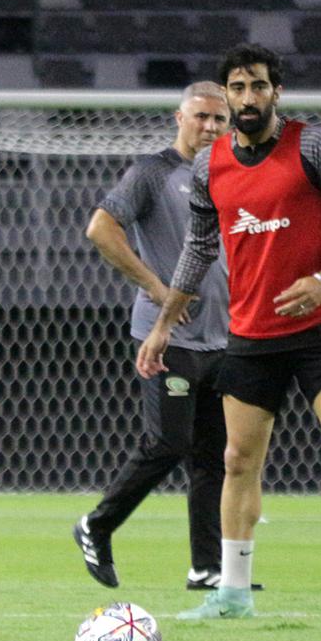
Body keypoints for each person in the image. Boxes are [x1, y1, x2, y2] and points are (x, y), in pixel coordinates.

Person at [136, 43, 321, 622]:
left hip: (320, 329)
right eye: (238, 88)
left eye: (258, 86)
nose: (248, 97)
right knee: (236, 461)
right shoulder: (209, 165)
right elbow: (198, 249)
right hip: (250, 335)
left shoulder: (313, 146)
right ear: (227, 95)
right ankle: (233, 593)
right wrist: (162, 326)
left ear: (277, 91)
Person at [74, 82, 261, 592]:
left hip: (224, 337)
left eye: (219, 119)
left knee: (214, 457)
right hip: (170, 338)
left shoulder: (232, 175)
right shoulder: (153, 172)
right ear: (178, 119)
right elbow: (100, 228)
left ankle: (207, 568)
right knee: (168, 442)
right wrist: (156, 288)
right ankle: (96, 525)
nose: (210, 127)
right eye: (201, 117)